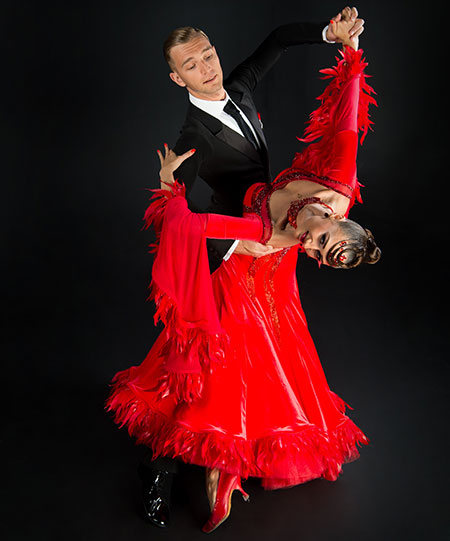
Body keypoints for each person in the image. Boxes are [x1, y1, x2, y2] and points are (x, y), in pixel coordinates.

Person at [105, 16, 380, 534]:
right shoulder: (193, 134)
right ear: (176, 79)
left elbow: (278, 43)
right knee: (207, 363)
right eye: (191, 66)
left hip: (274, 252)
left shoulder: (239, 87)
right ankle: (162, 470)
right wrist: (169, 189)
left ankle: (234, 452)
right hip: (239, 241)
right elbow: (186, 217)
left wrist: (341, 44)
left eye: (208, 55)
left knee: (269, 359)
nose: (206, 68)